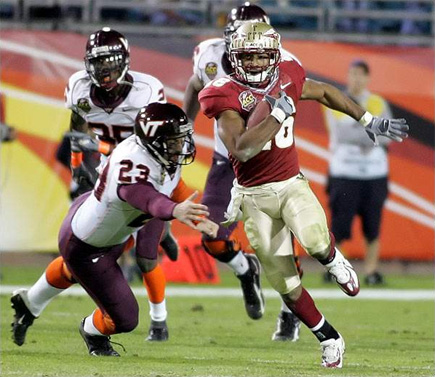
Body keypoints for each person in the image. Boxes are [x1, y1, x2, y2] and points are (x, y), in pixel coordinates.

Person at [198, 22, 408, 368]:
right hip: (253, 197)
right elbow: (242, 149)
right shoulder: (223, 92)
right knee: (286, 283)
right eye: (247, 57)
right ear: (234, 58)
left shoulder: (288, 74)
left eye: (261, 56)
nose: (253, 64)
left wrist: (367, 119)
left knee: (313, 237)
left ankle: (333, 259)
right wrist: (277, 113)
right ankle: (329, 337)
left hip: (290, 183)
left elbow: (324, 92)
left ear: (274, 55)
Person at [10, 28, 176, 346]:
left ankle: (31, 303)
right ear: (88, 65)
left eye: (111, 63)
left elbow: (155, 140)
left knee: (104, 253)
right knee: (94, 251)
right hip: (110, 181)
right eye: (99, 64)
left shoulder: (145, 90)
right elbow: (78, 125)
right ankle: (132, 324)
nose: (105, 72)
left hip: (136, 176)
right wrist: (77, 163)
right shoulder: (80, 88)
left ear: (126, 62)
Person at [12, 102, 219, 356]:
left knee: (73, 269)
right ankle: (91, 331)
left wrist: (198, 217)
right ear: (155, 140)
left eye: (182, 139)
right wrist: (175, 211)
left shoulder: (155, 153)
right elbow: (144, 196)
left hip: (105, 226)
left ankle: (30, 303)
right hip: (88, 245)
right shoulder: (133, 163)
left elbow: (174, 187)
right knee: (125, 319)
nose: (182, 146)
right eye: (175, 141)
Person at [183, 2, 301, 342]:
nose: (251, 54)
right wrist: (186, 129)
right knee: (214, 239)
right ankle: (244, 268)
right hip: (226, 164)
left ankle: (290, 312)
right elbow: (194, 83)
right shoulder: (208, 56)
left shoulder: (286, 65)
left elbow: (307, 98)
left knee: (280, 250)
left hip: (269, 166)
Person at [323, 60, 392, 286]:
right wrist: (372, 131)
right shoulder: (336, 99)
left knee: (373, 225)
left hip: (374, 173)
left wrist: (365, 132)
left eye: (360, 75)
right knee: (339, 224)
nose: (356, 79)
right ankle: (337, 269)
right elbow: (341, 133)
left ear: (367, 78)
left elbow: (389, 132)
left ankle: (371, 271)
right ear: (347, 76)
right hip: (344, 171)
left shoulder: (377, 101)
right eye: (352, 74)